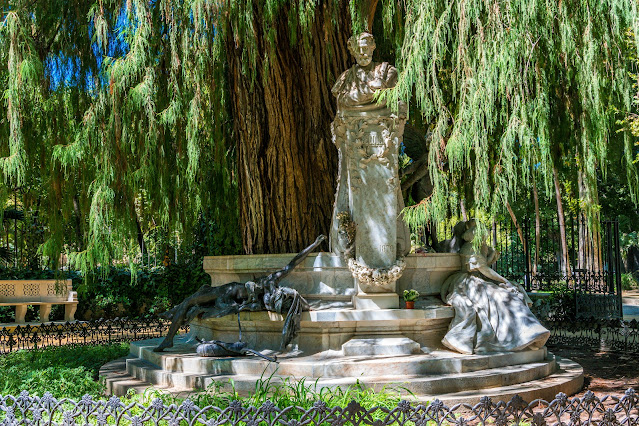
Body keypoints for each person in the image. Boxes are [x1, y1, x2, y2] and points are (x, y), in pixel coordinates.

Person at [154, 235, 326, 352]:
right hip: (224, 290)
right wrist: (315, 244)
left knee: (191, 303)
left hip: (224, 297)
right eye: (283, 294)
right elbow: (293, 263)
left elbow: (296, 302)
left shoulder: (265, 301)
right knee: (191, 301)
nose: (282, 295)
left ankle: (170, 330)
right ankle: (171, 323)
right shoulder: (270, 282)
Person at [440, 220, 549, 354]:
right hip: (470, 282)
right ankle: (519, 336)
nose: (485, 234)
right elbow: (483, 269)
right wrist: (504, 280)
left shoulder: (480, 246)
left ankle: (528, 333)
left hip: (480, 280)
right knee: (502, 297)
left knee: (511, 294)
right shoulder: (470, 248)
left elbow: (484, 266)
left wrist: (491, 257)